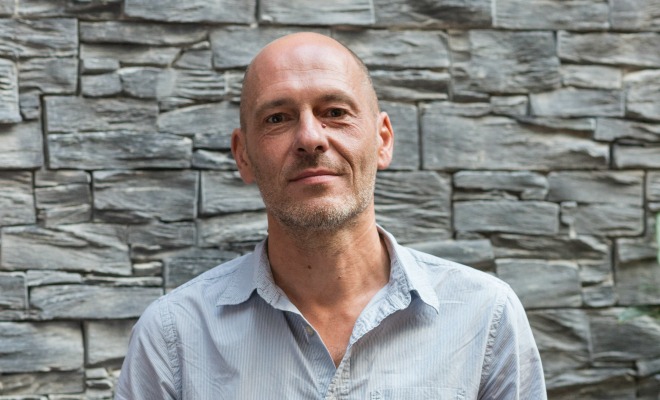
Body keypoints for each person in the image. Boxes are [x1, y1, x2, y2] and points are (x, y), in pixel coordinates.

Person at [115, 32, 547, 399]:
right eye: (278, 118)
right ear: (243, 155)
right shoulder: (173, 337)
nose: (310, 138)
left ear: (382, 140)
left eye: (335, 112)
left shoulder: (485, 317)